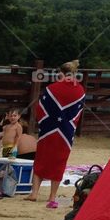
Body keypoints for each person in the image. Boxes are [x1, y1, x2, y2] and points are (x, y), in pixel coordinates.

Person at [27, 61, 85, 208]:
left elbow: (40, 109)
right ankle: (52, 196)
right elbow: (78, 113)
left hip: (48, 129)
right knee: (59, 161)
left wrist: (43, 123)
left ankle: (34, 193)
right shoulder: (80, 91)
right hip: (65, 131)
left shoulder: (51, 89)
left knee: (41, 158)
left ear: (61, 73)